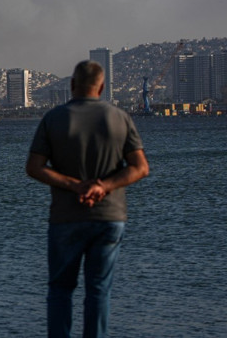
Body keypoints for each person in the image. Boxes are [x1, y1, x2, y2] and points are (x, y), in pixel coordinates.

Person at [26, 60, 149, 338]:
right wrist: (103, 186)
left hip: (66, 217)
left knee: (60, 290)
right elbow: (140, 167)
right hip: (109, 217)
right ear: (102, 87)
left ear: (71, 85)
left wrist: (75, 186)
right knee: (98, 291)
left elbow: (34, 167)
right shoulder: (120, 118)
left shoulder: (53, 119)